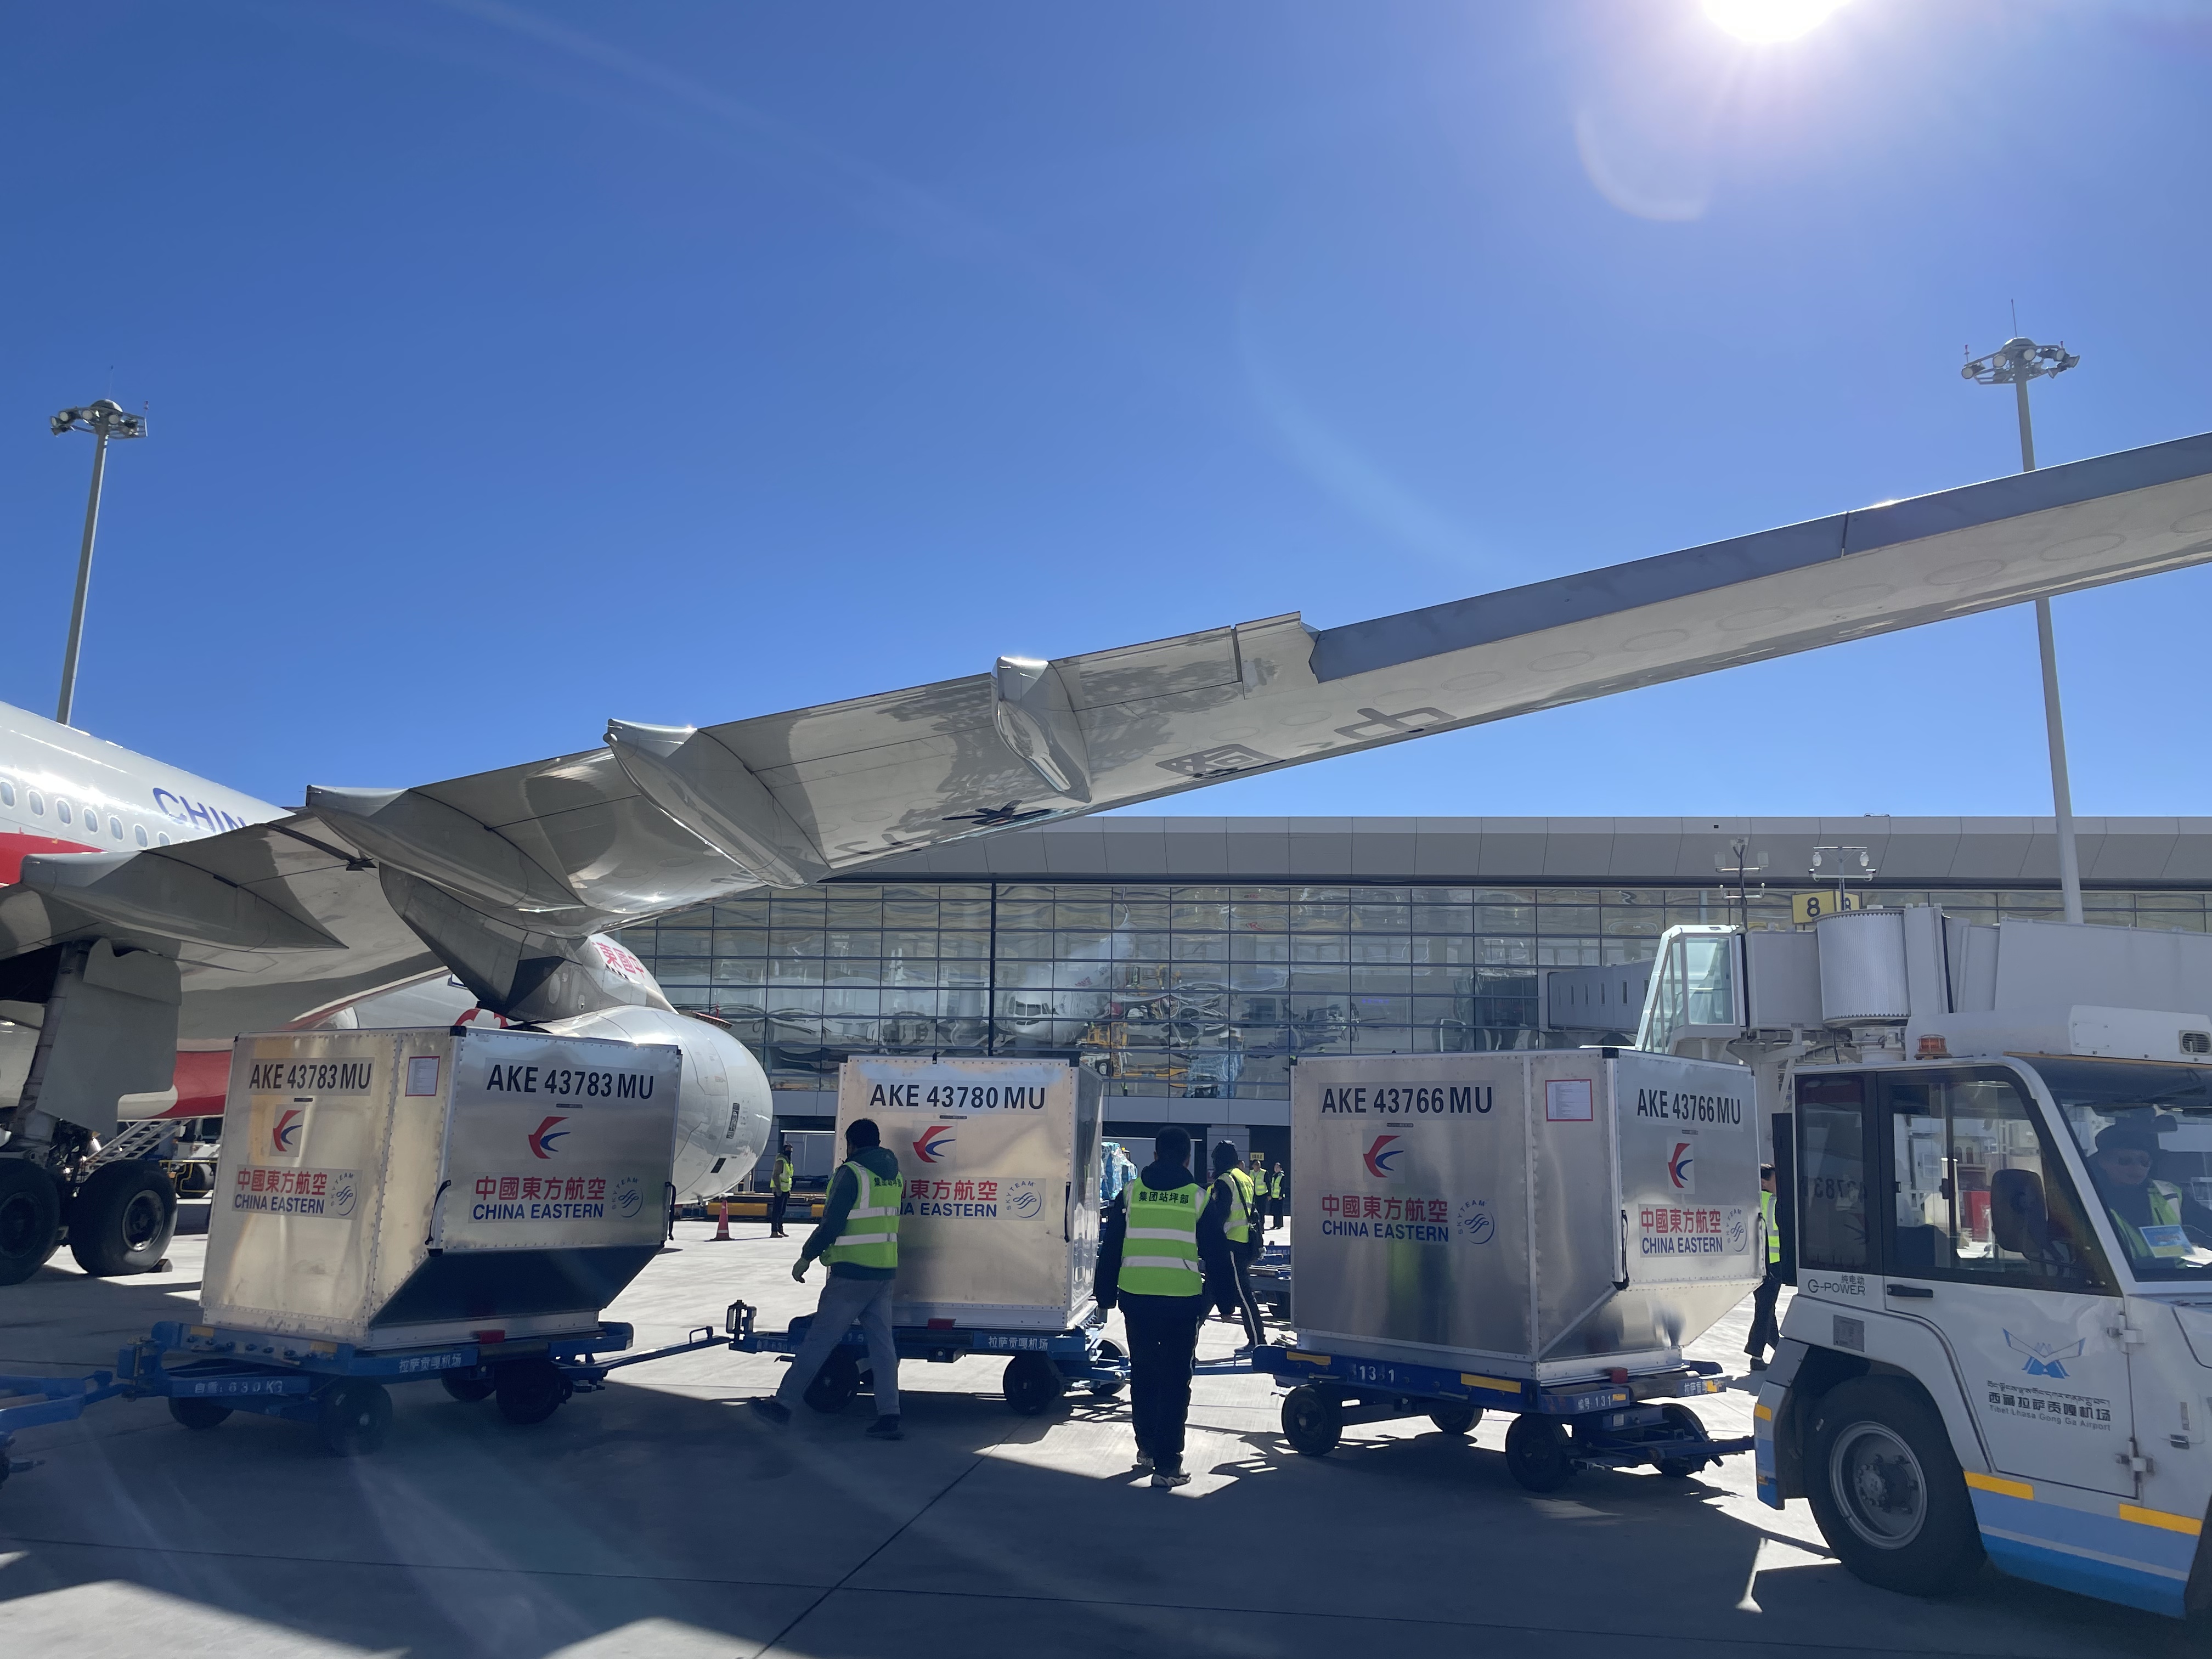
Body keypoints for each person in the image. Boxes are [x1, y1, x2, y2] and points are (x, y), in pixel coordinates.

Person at [749, 1119, 906, 1440]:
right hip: (884, 1272)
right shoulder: (894, 1175)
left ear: (852, 1144)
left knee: (819, 1342)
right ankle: (890, 1416)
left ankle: (783, 1404)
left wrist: (806, 1256)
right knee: (882, 1348)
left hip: (850, 1274)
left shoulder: (852, 1174)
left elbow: (831, 1223)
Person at [1096, 1126, 1216, 1488]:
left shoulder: (1131, 1193)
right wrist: (1226, 1301)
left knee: (1144, 1374)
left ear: (1154, 1155)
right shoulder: (1198, 1197)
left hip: (1137, 1299)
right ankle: (1168, 1466)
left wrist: (1105, 1294)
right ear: (1187, 1159)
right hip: (1181, 1303)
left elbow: (1112, 1246)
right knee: (1176, 1382)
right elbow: (1217, 1252)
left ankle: (1147, 1449)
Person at [2085, 1122, 2212, 1265]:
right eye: (2125, 1161)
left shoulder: (2169, 1194)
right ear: (2103, 1162)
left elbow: (2207, 1222)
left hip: (2177, 1277)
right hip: (2120, 1277)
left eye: (2144, 1161)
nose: (2137, 1168)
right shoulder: (2086, 1198)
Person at [1208, 1142, 1266, 1351]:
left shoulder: (1225, 1180)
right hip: (1247, 1242)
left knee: (1244, 1295)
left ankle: (1258, 1341)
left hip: (1231, 1244)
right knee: (1211, 1291)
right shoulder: (1245, 1178)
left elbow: (1220, 1215)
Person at [1746, 1164, 1784, 1370]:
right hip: (1771, 1265)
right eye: (1776, 1180)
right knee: (1765, 1310)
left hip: (1755, 1265)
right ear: (1763, 1182)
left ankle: (1778, 1346)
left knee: (1767, 1308)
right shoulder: (1773, 1203)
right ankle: (1756, 1356)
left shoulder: (1749, 1201)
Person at [768, 1141, 794, 1238]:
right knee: (777, 1211)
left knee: (782, 1211)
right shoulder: (781, 1161)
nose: (789, 1152)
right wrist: (778, 1189)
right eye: (788, 1150)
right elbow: (776, 1176)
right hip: (779, 1190)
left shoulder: (788, 1162)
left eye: (790, 1151)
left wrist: (788, 1190)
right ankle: (774, 1231)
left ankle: (780, 1230)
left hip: (785, 1190)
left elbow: (788, 1177)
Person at [1267, 1160, 1285, 1232]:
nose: (1276, 1169)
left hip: (1279, 1197)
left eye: (1278, 1167)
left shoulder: (1282, 1176)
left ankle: (1280, 1225)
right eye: (1275, 1167)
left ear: (1281, 1169)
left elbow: (1283, 1187)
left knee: (1279, 1212)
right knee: (1274, 1211)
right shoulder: (1274, 1176)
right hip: (1274, 1196)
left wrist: (1281, 1195)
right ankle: (1275, 1224)